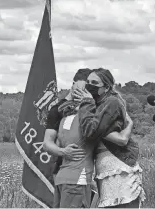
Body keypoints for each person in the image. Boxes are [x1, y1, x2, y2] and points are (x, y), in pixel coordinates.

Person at [43, 69, 133, 208]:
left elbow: (116, 138)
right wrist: (63, 151)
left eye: (92, 84)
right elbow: (50, 142)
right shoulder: (70, 114)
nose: (88, 88)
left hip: (71, 174)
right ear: (73, 84)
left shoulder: (71, 114)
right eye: (86, 85)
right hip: (73, 175)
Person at [73, 68, 146, 208]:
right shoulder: (96, 105)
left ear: (106, 87)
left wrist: (86, 103)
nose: (89, 85)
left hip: (119, 166)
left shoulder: (112, 102)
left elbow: (90, 130)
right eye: (88, 82)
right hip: (104, 169)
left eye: (94, 82)